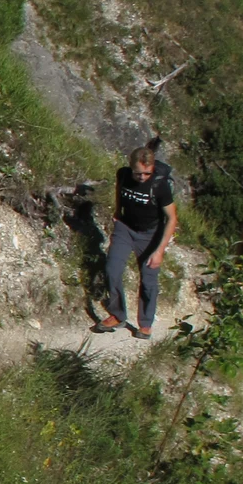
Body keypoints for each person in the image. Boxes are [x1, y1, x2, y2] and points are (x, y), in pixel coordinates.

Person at [95, 143, 176, 340]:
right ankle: (117, 314)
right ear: (131, 167)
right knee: (112, 270)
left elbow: (172, 218)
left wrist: (160, 251)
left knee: (148, 281)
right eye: (139, 173)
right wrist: (117, 211)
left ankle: (145, 323)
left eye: (147, 174)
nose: (142, 178)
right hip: (125, 228)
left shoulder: (159, 185)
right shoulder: (123, 175)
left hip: (150, 234)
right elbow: (119, 190)